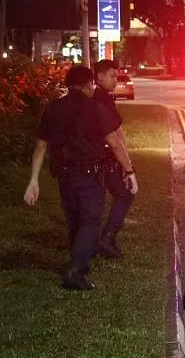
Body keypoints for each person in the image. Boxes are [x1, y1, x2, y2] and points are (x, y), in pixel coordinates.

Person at [23, 66, 138, 290]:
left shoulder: (53, 109)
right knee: (90, 221)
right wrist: (129, 171)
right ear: (89, 84)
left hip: (64, 176)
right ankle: (76, 270)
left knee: (74, 220)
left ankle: (77, 259)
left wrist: (33, 180)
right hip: (90, 175)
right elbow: (114, 142)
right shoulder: (94, 108)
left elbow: (40, 145)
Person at [92, 59, 135, 258]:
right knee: (125, 192)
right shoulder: (99, 100)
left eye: (117, 76)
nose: (116, 80)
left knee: (123, 193)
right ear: (99, 76)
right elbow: (114, 138)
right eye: (112, 76)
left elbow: (119, 131)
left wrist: (126, 161)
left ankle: (106, 238)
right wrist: (128, 169)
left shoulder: (106, 98)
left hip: (109, 158)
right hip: (103, 159)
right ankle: (106, 238)